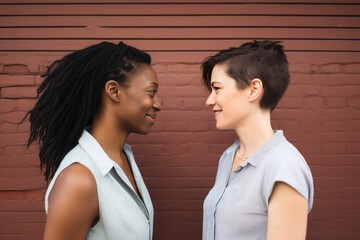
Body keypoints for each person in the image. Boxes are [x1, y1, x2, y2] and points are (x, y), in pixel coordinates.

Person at [26, 41, 161, 240]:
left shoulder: (123, 158)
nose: (158, 104)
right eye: (151, 92)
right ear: (114, 91)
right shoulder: (79, 180)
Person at [201, 40, 314, 240]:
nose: (209, 100)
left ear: (253, 89)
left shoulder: (284, 167)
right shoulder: (229, 157)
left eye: (217, 89)